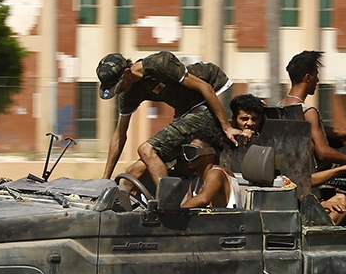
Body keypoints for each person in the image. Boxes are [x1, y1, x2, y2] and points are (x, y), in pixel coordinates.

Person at [98, 51, 245, 189]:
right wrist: (105, 178)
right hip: (184, 114)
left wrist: (226, 126)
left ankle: (168, 203)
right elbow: (119, 135)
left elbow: (205, 87)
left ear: (127, 73)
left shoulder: (159, 63)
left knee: (146, 149)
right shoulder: (129, 93)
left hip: (208, 102)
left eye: (118, 86)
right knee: (133, 173)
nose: (119, 91)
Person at [278, 51, 346, 168]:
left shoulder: (281, 106)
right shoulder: (308, 111)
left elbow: (318, 129)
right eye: (316, 75)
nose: (317, 80)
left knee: (345, 139)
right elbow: (323, 153)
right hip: (319, 167)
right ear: (308, 78)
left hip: (295, 165)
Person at [181, 124, 241, 209]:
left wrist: (174, 213)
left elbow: (204, 199)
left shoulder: (217, 173)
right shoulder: (195, 183)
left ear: (209, 155)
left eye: (193, 152)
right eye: (187, 151)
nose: (188, 157)